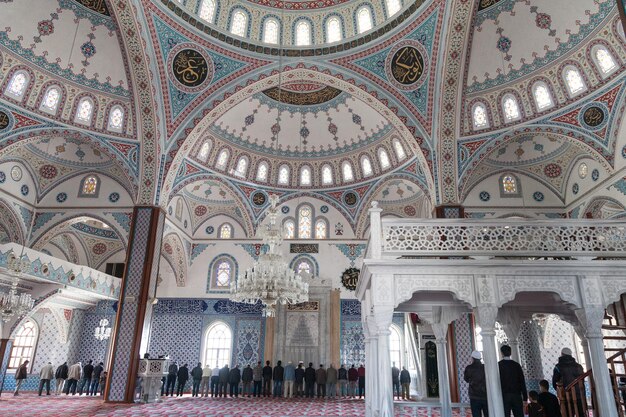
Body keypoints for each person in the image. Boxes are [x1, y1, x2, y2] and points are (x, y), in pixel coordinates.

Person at [552, 348, 584, 417]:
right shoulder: (579, 366)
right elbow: (582, 380)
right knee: (581, 413)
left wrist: (560, 392)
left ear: (562, 354)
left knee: (568, 413)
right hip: (579, 395)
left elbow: (555, 382)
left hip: (566, 396)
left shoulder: (558, 367)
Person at [498, 345, 527, 417]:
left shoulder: (499, 365)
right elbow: (522, 381)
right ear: (510, 353)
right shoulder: (516, 365)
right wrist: (525, 397)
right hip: (516, 395)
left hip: (504, 395)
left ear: (502, 353)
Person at [464, 351, 488, 417]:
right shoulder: (485, 367)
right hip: (485, 396)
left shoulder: (469, 368)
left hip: (474, 396)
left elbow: (466, 379)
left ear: (472, 358)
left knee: (476, 415)